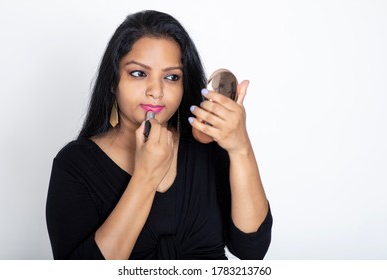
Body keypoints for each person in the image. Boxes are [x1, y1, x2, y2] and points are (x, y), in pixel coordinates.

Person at [46, 10, 272, 260]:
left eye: (171, 77)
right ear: (113, 81)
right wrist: (145, 177)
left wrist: (240, 149)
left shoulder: (206, 148)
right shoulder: (75, 164)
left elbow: (252, 251)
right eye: (138, 73)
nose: (156, 91)